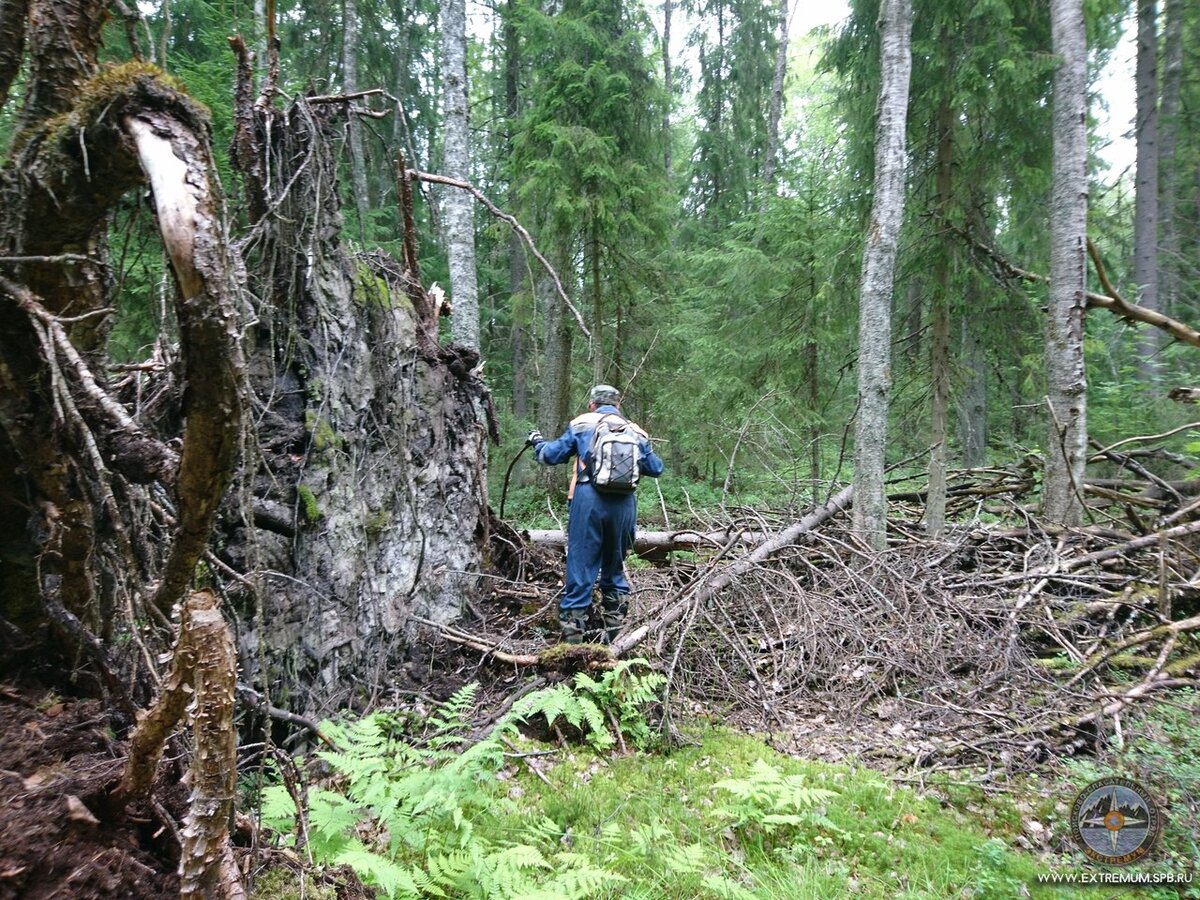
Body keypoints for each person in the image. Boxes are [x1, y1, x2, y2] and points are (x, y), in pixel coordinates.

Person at [527, 385, 664, 644]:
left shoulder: (581, 424)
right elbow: (656, 469)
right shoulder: (635, 430)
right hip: (624, 505)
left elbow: (551, 456)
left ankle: (572, 646)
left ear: (592, 404)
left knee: (580, 566)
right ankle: (616, 641)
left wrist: (537, 443)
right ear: (618, 405)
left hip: (588, 500)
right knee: (615, 568)